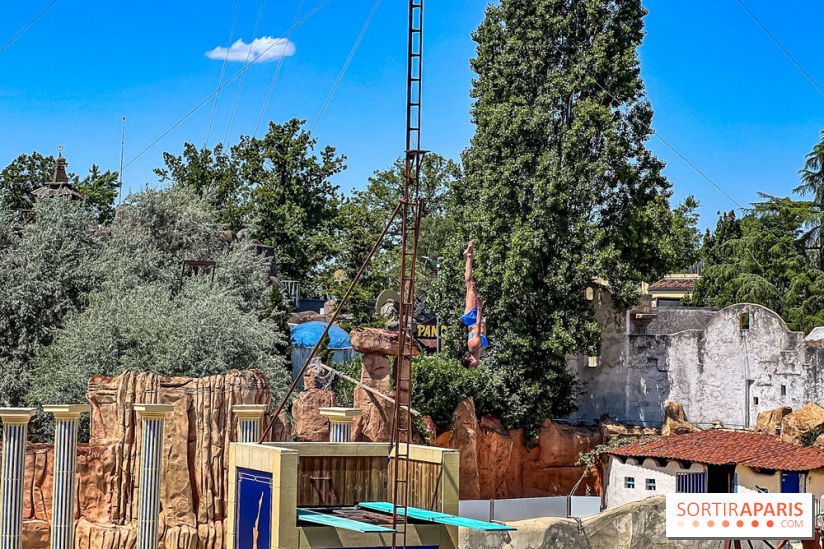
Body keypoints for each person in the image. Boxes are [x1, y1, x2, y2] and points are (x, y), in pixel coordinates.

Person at [460, 241, 488, 368]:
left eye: (474, 366)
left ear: (471, 361)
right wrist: (484, 323)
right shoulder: (480, 350)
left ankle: (469, 256)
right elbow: (483, 332)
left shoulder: (474, 346)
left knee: (470, 285)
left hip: (473, 316)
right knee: (470, 286)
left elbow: (476, 327)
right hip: (476, 317)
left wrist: (480, 309)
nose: (477, 365)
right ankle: (468, 257)